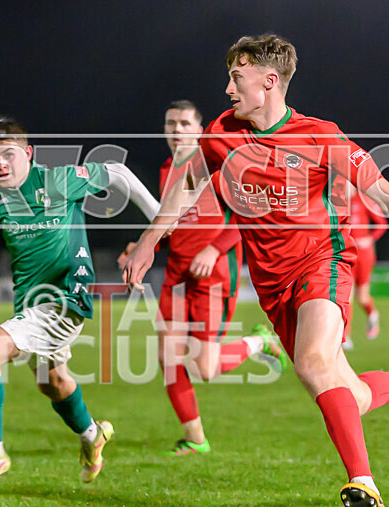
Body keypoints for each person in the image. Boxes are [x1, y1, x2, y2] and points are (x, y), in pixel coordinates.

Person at [123, 34, 389, 507]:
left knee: (312, 364)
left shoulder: (321, 136)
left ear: (269, 82)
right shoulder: (221, 133)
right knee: (350, 393)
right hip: (271, 285)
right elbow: (185, 189)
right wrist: (148, 242)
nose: (227, 89)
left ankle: (364, 483)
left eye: (236, 77)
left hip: (324, 263)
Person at [0, 115, 161, 494]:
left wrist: (158, 224)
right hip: (31, 305)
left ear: (27, 153)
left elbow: (119, 173)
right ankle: (93, 437)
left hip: (65, 298)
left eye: (8, 155)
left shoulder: (57, 180)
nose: (1, 166)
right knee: (52, 382)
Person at [119, 100, 286, 456]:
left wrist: (214, 249)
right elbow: (174, 228)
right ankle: (195, 438)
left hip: (214, 277)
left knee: (204, 368)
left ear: (199, 130)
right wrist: (142, 247)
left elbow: (251, 214)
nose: (176, 130)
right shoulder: (168, 169)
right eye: (170, 124)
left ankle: (259, 342)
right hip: (177, 275)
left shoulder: (219, 164)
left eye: (184, 124)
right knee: (168, 358)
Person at [342, 188, 387, 349]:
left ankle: (372, 314)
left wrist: (369, 239)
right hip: (345, 253)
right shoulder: (336, 200)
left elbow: (381, 224)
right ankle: (345, 336)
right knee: (347, 296)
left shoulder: (365, 200)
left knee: (362, 297)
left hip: (363, 254)